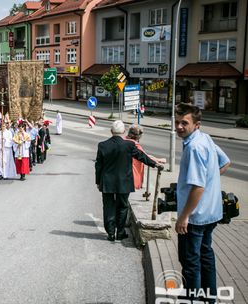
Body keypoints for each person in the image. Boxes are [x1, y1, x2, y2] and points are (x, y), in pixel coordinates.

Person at [174, 103, 230, 301]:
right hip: (211, 212)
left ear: (196, 125)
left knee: (190, 262)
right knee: (206, 256)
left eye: (184, 123)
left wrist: (184, 216)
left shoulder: (195, 147)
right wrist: (210, 179)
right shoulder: (204, 138)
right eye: (177, 122)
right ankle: (209, 298)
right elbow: (225, 162)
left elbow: (198, 187)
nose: (179, 126)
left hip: (196, 217)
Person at [95, 120, 162, 241]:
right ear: (124, 131)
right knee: (122, 206)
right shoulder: (129, 145)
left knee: (108, 207)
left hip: (107, 182)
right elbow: (141, 156)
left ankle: (110, 233)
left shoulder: (102, 145)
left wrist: (98, 181)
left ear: (111, 131)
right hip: (124, 182)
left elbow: (98, 165)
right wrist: (155, 164)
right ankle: (120, 232)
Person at [124, 125, 166, 189]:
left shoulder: (124, 140)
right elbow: (144, 157)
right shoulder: (135, 145)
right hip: (131, 173)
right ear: (138, 136)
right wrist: (159, 160)